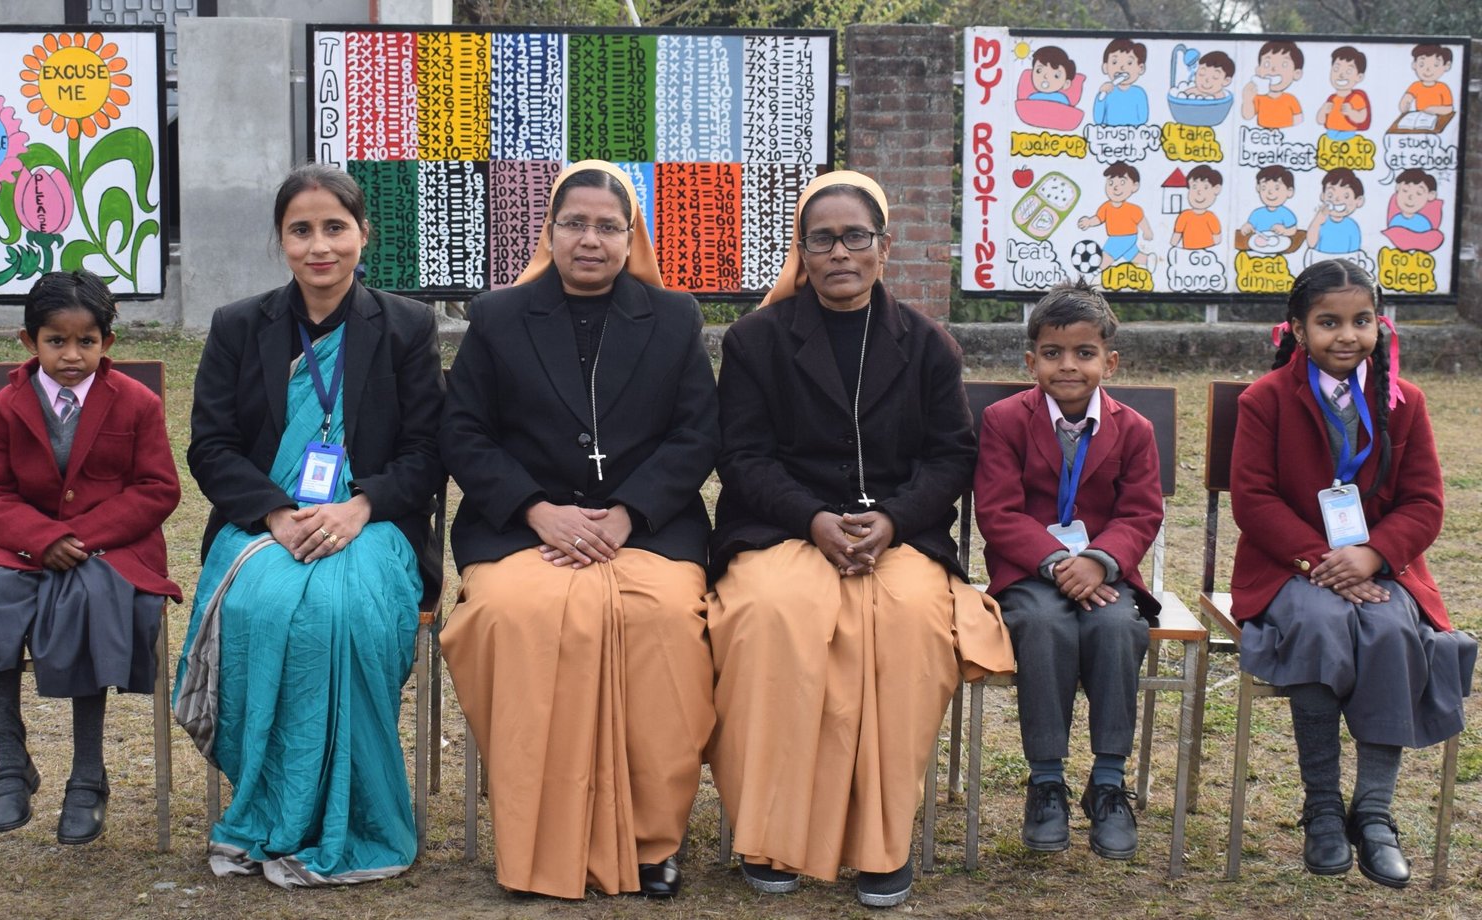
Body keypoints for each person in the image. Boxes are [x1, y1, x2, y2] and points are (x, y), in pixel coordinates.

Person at [708, 171, 1013, 909]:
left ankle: (883, 840)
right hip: (783, 528)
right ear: (802, 251)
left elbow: (951, 455)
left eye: (855, 237)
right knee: (769, 615)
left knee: (909, 622)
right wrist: (813, 519)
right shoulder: (754, 341)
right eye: (822, 239)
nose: (839, 252)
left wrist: (895, 520)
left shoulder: (930, 345)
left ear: (884, 246)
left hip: (898, 535)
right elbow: (742, 457)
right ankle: (771, 833)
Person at [440, 159, 719, 900]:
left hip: (647, 528)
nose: (590, 240)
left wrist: (627, 513)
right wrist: (537, 510)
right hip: (523, 526)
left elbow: (697, 434)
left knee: (664, 623)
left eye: (607, 226)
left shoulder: (675, 318)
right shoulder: (498, 317)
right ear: (550, 232)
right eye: (575, 224)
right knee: (513, 616)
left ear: (631, 238)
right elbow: (463, 432)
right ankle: (538, 840)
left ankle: (652, 841)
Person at [175, 164, 445, 888]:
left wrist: (359, 508)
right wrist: (274, 513)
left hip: (373, 521)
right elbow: (212, 446)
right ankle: (272, 806)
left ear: (364, 233)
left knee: (339, 611)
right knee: (261, 609)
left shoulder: (407, 325)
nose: (319, 246)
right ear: (281, 239)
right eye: (301, 230)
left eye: (335, 227)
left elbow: (427, 450)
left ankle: (354, 822)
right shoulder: (239, 326)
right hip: (265, 521)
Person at [0, 270, 181, 846]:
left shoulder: (137, 403)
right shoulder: (1, 411)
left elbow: (157, 489)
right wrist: (41, 538)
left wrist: (78, 538)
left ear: (107, 342)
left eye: (86, 341)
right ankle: (11, 763)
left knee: (88, 601)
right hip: (21, 545)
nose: (72, 355)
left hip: (110, 548)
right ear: (29, 341)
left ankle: (88, 775)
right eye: (56, 341)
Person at [1230, 258, 1475, 888]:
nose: (1347, 335)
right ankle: (1321, 809)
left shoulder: (1405, 401)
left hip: (1382, 570)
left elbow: (1424, 503)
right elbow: (1253, 500)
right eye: (1329, 322)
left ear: (1378, 324)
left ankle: (1373, 812)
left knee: (1392, 630)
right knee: (1319, 624)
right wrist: (1321, 560)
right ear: (1298, 328)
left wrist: (1372, 555)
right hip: (1290, 569)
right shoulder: (1265, 400)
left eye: (1361, 321)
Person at [973, 281, 1162, 861]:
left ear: (1111, 361)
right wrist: (1058, 563)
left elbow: (1140, 513)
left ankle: (1107, 783)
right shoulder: (1004, 420)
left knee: (1118, 627)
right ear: (1031, 362)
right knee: (1044, 625)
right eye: (1052, 354)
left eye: (1085, 353)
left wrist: (1099, 562)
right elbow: (998, 511)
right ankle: (1047, 781)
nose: (1069, 366)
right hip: (1030, 574)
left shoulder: (1135, 429)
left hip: (1106, 576)